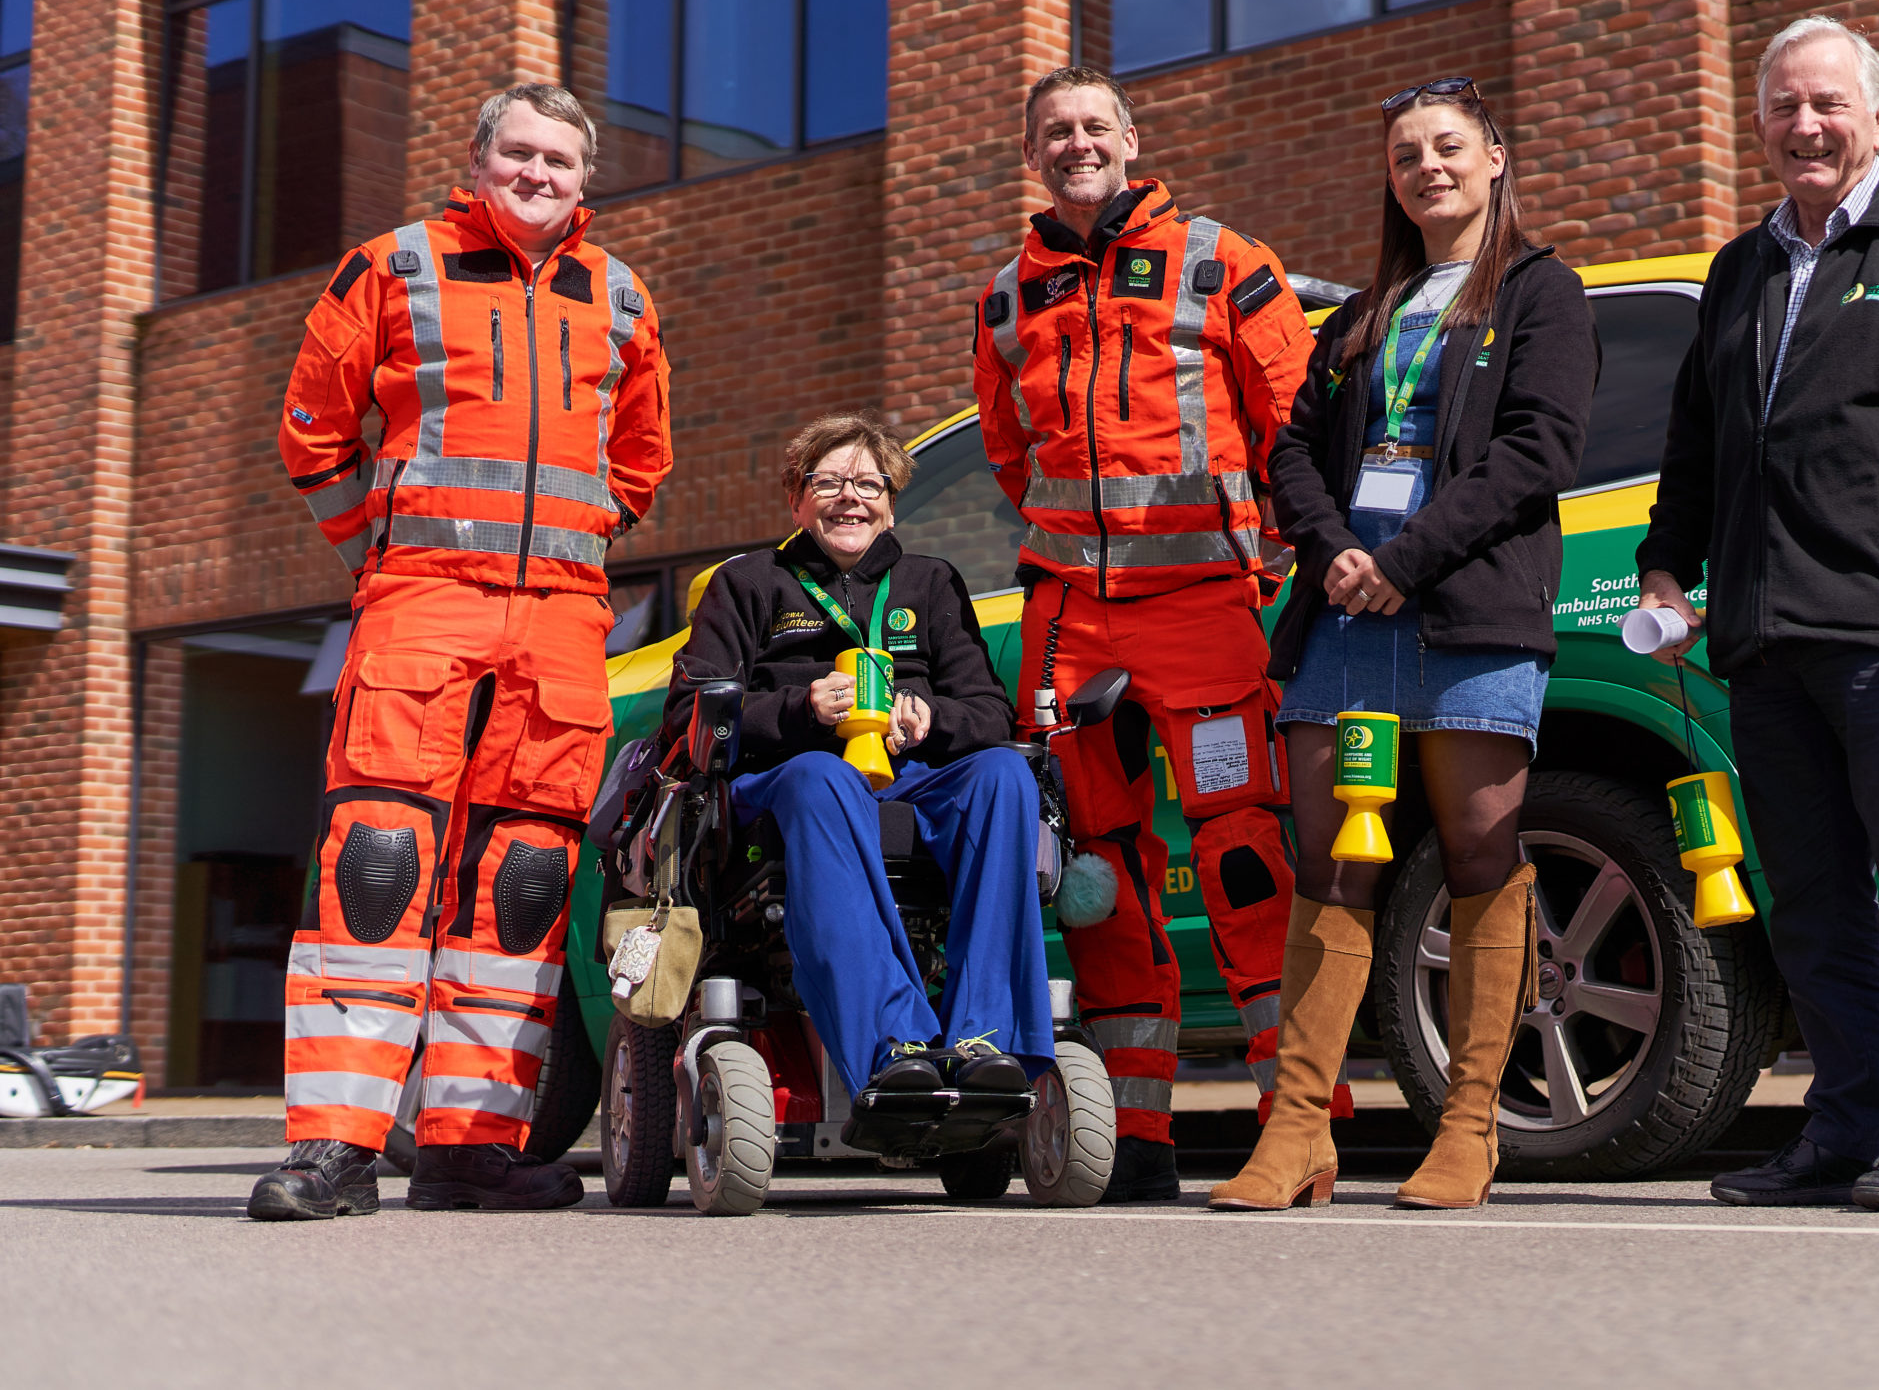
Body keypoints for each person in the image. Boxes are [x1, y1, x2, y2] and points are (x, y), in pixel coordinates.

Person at [1634, 16, 1879, 1212]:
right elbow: (1700, 440)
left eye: (1826, 105)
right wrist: (1667, 565)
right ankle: (1845, 1128)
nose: (1804, 126)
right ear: (1758, 123)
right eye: (1782, 108)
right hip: (1761, 643)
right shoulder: (1740, 267)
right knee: (1809, 901)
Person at [254, 82, 674, 1220]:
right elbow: (310, 430)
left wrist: (569, 548)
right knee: (376, 860)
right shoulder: (391, 267)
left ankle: (469, 1144)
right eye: (521, 156)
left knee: (527, 880)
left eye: (562, 162)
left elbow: (638, 462)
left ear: (587, 179)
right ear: (478, 162)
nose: (541, 176)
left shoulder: (621, 297)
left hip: (559, 619)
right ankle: (335, 1149)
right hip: (421, 601)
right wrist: (382, 552)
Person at [1215, 76, 1596, 1212]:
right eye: (1405, 156)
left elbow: (1539, 450)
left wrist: (1405, 558)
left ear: (1493, 158)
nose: (1427, 167)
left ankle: (1470, 1126)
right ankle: (1296, 1135)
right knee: (1333, 862)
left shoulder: (1541, 291)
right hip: (1343, 621)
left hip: (1468, 613)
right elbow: (1288, 450)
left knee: (1480, 850)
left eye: (1446, 147)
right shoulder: (1360, 314)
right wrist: (1334, 548)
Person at [974, 65, 1314, 1203]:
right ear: (1035, 154)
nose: (1076, 144)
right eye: (1054, 133)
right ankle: (1136, 1137)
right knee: (1096, 875)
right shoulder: (1007, 296)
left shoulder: (1223, 261)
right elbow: (1012, 459)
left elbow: (1293, 426)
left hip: (1207, 612)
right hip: (1071, 625)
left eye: (1091, 126)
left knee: (1245, 860)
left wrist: (1273, 557)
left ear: (1130, 137)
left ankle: (1294, 1124)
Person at [663, 413, 1052, 1102]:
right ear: (796, 497)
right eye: (830, 481)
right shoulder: (750, 583)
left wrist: (933, 717)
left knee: (1003, 774)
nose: (852, 498)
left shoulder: (930, 583)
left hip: (912, 777)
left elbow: (990, 713)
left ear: (892, 501)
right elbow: (688, 713)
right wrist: (799, 708)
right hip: (791, 783)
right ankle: (892, 1040)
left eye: (869, 484)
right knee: (824, 776)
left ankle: (987, 1036)